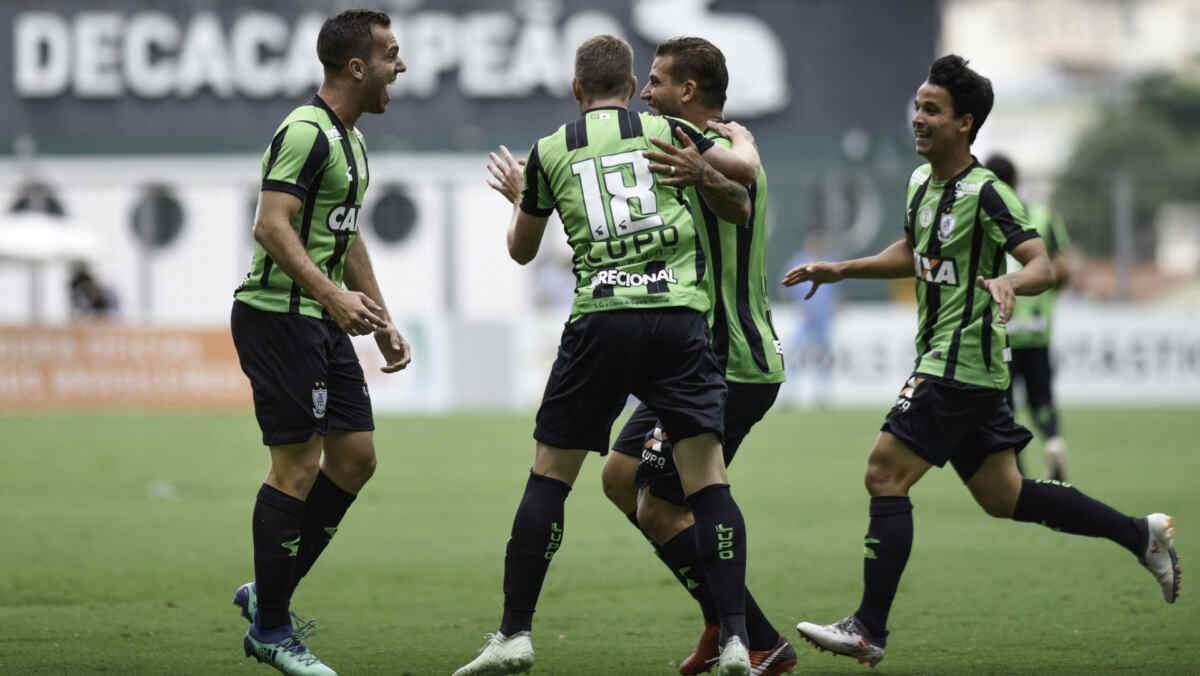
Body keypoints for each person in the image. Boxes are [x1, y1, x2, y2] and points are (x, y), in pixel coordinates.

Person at [784, 55, 1180, 668]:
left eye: (932, 110)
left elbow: (1042, 264)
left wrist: (1011, 284)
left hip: (957, 366)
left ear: (965, 124)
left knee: (884, 473)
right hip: (962, 370)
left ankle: (869, 627)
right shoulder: (921, 185)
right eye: (918, 106)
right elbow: (913, 252)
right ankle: (1140, 534)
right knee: (1003, 495)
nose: (918, 118)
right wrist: (843, 268)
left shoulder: (988, 194)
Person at [458, 34, 760, 676]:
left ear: (576, 90)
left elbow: (521, 250)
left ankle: (514, 633)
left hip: (601, 319)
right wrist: (717, 162)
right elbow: (739, 185)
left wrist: (521, 196)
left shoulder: (547, 152)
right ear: (630, 88)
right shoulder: (667, 128)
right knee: (707, 480)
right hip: (678, 317)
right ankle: (737, 640)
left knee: (549, 476)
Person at [598, 37, 795, 676]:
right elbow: (743, 169)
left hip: (725, 361)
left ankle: (752, 636)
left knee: (664, 503)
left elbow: (742, 175)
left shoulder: (686, 136)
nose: (644, 93)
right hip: (692, 358)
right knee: (620, 475)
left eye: (655, 81)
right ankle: (724, 623)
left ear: (687, 93)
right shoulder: (721, 143)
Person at [228, 10, 411, 676]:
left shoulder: (352, 143)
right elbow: (270, 226)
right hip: (279, 316)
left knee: (355, 458)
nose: (402, 66)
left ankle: (265, 594)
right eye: (392, 54)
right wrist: (332, 296)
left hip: (320, 320)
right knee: (297, 468)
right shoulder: (305, 132)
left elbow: (347, 234)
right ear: (356, 67)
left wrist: (383, 318)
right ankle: (272, 630)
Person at [984, 153, 1073, 481]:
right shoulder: (1043, 217)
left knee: (1005, 405)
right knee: (1042, 397)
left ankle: (1017, 472)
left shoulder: (986, 218)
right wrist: (1050, 295)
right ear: (1017, 181)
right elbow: (1062, 269)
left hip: (1001, 330)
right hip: (1037, 329)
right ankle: (1052, 439)